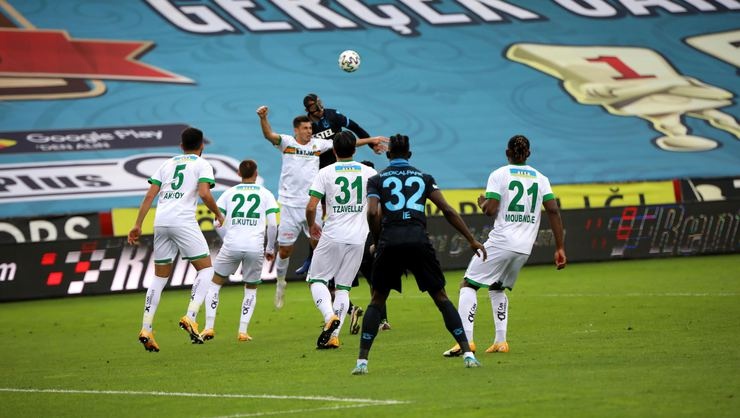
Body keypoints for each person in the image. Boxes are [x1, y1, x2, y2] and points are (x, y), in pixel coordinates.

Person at [351, 134, 487, 375]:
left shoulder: (376, 179)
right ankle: (468, 353)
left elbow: (372, 213)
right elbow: (447, 210)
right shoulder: (424, 178)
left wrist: (378, 241)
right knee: (441, 297)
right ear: (410, 155)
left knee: (377, 299)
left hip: (390, 242)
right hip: (418, 240)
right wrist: (471, 239)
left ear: (388, 154)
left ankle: (362, 362)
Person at [443, 134, 567, 358]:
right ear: (529, 154)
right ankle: (501, 342)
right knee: (496, 287)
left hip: (502, 241)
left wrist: (482, 203)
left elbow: (490, 210)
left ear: (507, 152)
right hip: (524, 247)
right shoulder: (541, 178)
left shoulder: (499, 174)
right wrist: (560, 248)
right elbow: (553, 211)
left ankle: (466, 341)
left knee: (468, 284)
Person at [256, 105, 386, 310]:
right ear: (296, 130)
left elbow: (347, 144)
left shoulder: (318, 144)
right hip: (289, 205)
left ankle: (323, 284)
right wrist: (263, 118)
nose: (310, 131)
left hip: (312, 204)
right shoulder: (287, 143)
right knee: (285, 251)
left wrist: (371, 140)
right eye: (306, 128)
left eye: (310, 128)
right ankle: (280, 282)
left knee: (319, 246)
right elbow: (268, 135)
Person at [128, 126, 224, 352]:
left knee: (159, 277)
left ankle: (146, 328)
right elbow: (204, 193)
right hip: (183, 221)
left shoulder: (167, 164)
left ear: (181, 146)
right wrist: (218, 213)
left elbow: (150, 195)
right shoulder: (202, 164)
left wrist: (137, 224)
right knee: (206, 270)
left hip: (161, 222)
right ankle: (191, 316)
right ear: (202, 146)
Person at [295, 93, 388, 276]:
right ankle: (312, 257)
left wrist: (372, 144)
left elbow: (355, 127)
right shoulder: (308, 127)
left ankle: (360, 253)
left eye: (319, 104)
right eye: (314, 107)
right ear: (308, 110)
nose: (319, 109)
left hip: (343, 169)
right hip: (324, 176)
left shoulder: (333, 115)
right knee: (321, 216)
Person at [305, 131, 378, 349]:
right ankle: (334, 336)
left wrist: (311, 225)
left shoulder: (325, 172)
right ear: (355, 149)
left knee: (317, 280)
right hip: (358, 238)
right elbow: (379, 206)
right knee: (344, 288)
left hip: (333, 234)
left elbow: (311, 206)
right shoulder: (370, 172)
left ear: (334, 150)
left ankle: (329, 316)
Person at [197, 159, 279, 343]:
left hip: (232, 245)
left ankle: (209, 327)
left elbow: (216, 222)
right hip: (255, 247)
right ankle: (242, 331)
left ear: (239, 173)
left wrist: (228, 239)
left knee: (214, 285)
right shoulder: (266, 194)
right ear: (256, 173)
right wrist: (270, 248)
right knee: (250, 289)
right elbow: (273, 225)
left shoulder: (229, 193)